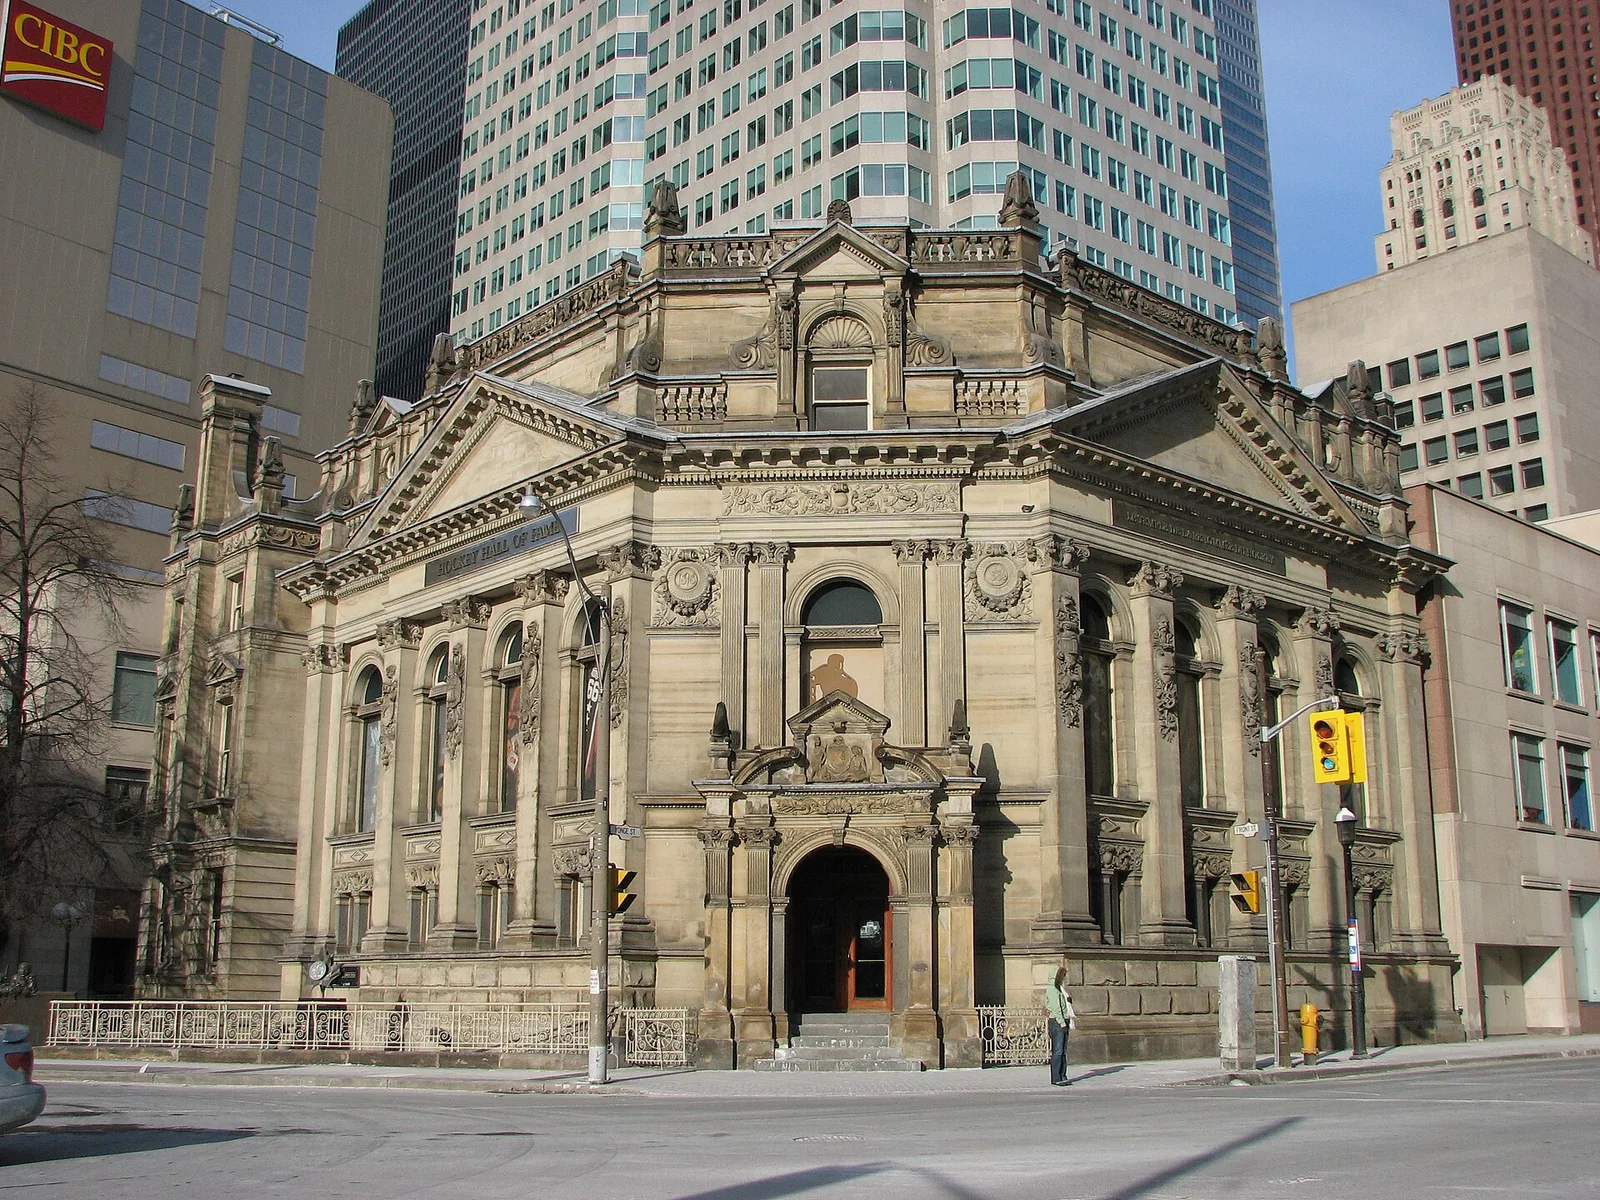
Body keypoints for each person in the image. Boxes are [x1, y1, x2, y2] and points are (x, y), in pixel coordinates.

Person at [1043, 966, 1077, 1086]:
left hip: (1063, 1020)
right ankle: (1056, 1077)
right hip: (1057, 1022)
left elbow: (1062, 1004)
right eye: (1062, 975)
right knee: (1058, 1051)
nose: (1063, 977)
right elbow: (1056, 1008)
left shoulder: (1060, 988)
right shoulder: (1052, 989)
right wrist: (1062, 1023)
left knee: (1063, 1051)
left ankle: (1063, 1075)